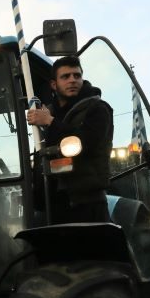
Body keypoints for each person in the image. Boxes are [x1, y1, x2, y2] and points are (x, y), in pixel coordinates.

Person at [26, 55, 114, 223]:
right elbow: (42, 154)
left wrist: (50, 122)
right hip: (53, 202)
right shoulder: (49, 112)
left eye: (77, 75)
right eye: (65, 77)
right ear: (54, 84)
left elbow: (86, 142)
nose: (72, 80)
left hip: (87, 200)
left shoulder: (98, 108)